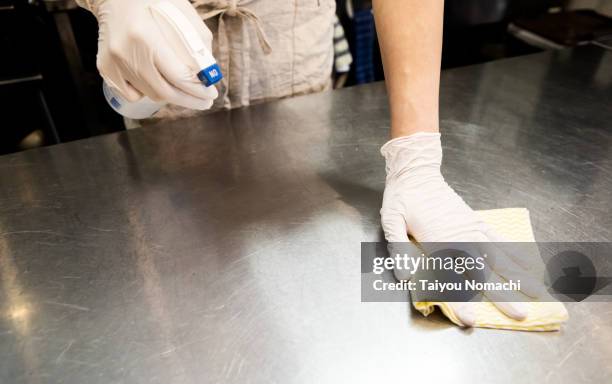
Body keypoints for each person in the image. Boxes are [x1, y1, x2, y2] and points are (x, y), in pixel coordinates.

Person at [78, 0, 535, 326]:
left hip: (289, 34)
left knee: (311, 298)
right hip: (159, 32)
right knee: (184, 291)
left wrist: (416, 155)